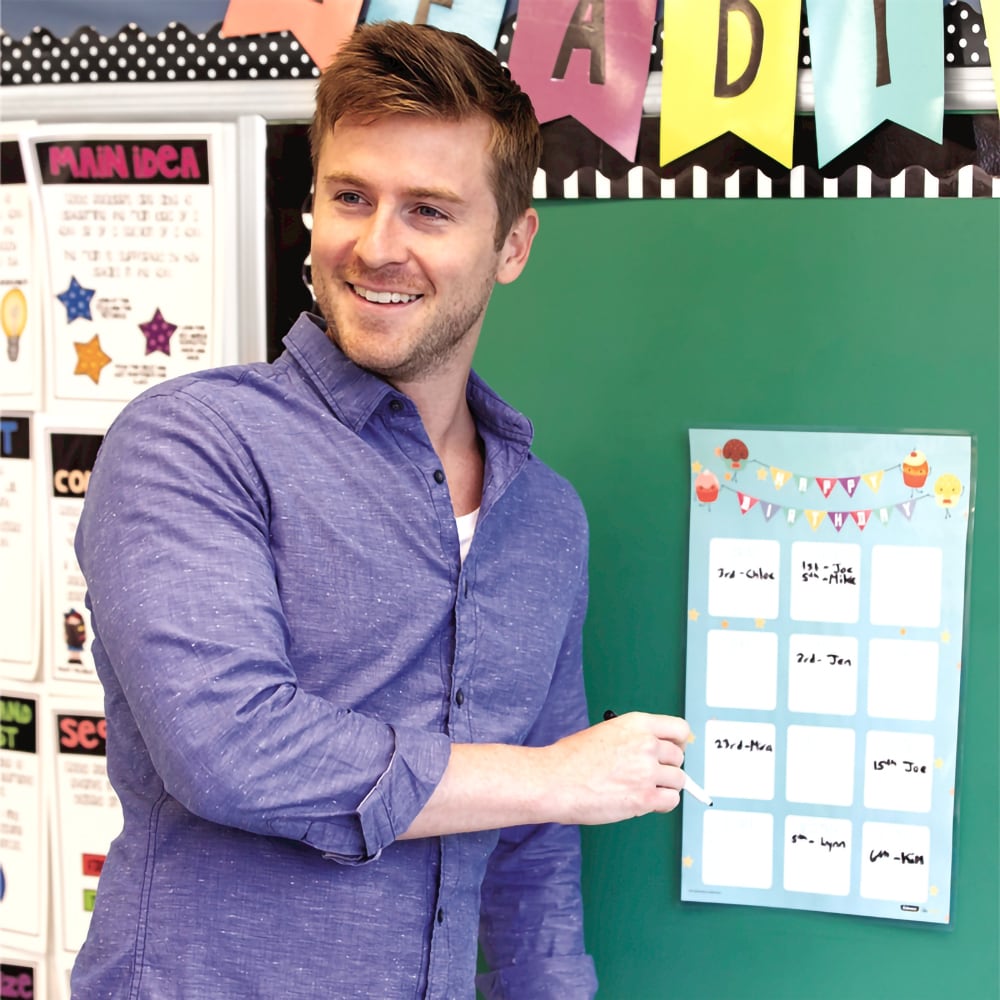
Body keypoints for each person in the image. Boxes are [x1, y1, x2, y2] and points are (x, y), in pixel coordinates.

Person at [72, 20, 690, 999]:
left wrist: (550, 807)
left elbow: (534, 853)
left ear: (512, 244)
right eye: (350, 197)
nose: (375, 245)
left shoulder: (544, 520)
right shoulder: (193, 444)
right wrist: (553, 775)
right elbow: (231, 748)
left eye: (428, 211)